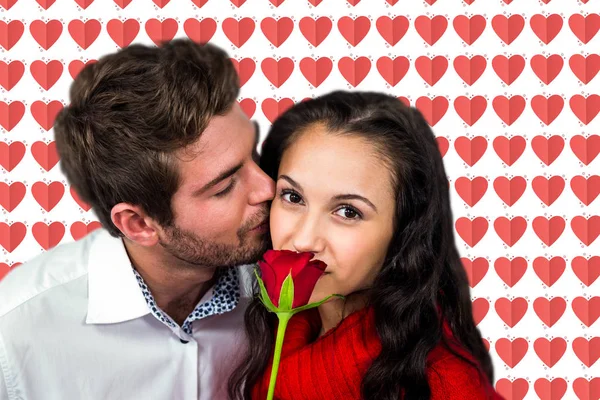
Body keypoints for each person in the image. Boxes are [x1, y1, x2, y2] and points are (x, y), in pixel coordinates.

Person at [0, 39, 275, 400]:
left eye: (253, 154)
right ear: (139, 224)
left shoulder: (284, 280)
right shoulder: (15, 334)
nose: (268, 188)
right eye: (224, 186)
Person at [228, 91, 505, 400]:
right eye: (293, 197)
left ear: (403, 232)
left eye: (348, 211)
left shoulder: (443, 383)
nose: (303, 240)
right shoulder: (270, 332)